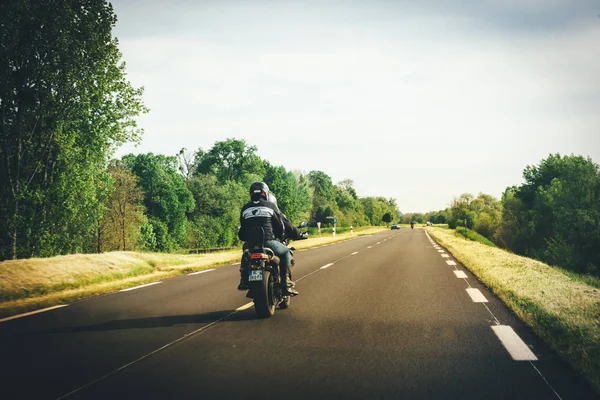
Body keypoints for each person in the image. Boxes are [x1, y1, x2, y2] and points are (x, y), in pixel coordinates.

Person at [237, 182, 299, 296]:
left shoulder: (245, 208)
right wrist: (278, 236)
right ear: (265, 193)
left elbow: (241, 233)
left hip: (250, 245)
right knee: (285, 251)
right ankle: (286, 284)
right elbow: (280, 227)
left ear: (251, 193)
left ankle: (244, 280)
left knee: (245, 253)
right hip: (269, 243)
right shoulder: (270, 206)